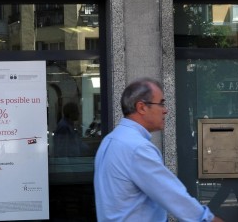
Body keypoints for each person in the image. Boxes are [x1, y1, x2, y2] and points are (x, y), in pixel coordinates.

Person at [94, 78, 223, 222]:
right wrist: (206, 219)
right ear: (141, 107)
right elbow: (172, 195)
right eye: (161, 103)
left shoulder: (110, 140)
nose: (165, 110)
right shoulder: (138, 148)